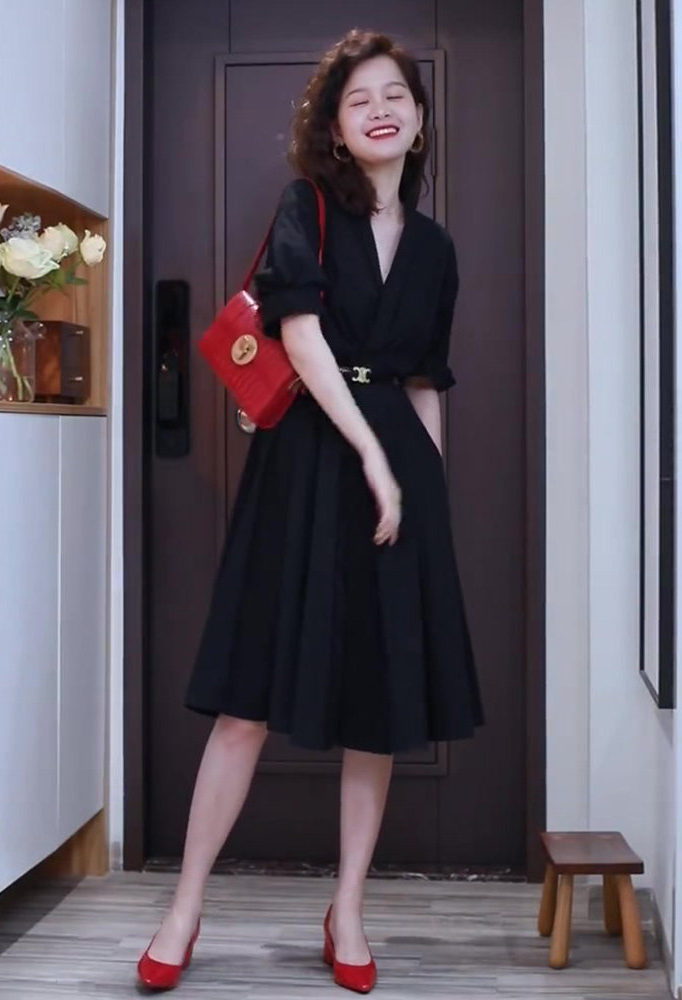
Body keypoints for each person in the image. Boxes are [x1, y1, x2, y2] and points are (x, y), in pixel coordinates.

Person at [137, 26, 485, 994]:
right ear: (334, 128)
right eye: (358, 99)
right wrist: (371, 453)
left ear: (420, 121)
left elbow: (426, 380)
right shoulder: (310, 206)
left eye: (396, 96)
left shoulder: (436, 248)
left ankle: (350, 909)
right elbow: (300, 336)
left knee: (378, 705)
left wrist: (424, 488)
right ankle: (185, 906)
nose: (380, 110)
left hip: (398, 473)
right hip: (307, 461)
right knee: (246, 703)